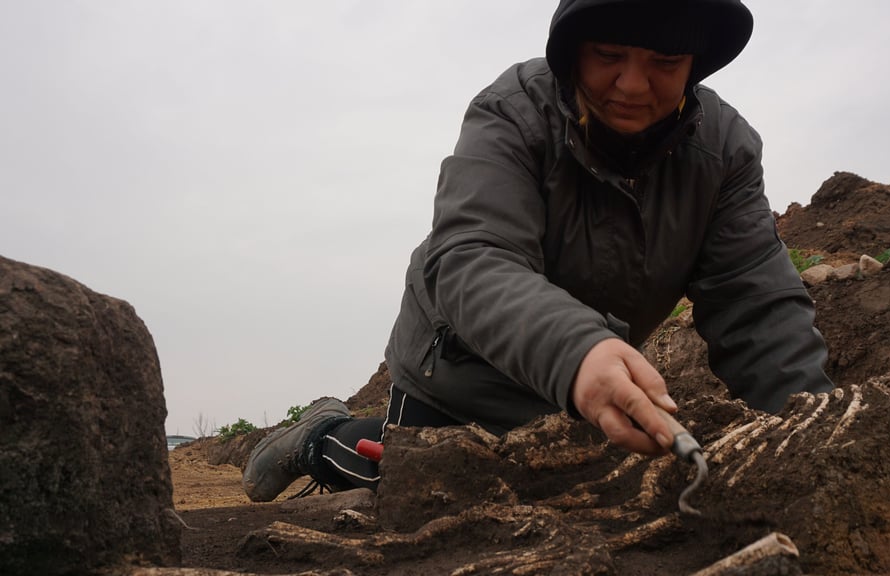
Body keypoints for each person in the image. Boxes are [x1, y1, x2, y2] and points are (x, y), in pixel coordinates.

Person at [243, 0, 834, 502]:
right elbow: (474, 255)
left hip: (584, 382)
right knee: (412, 489)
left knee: (562, 498)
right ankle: (321, 437)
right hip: (459, 366)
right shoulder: (511, 113)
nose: (632, 84)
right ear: (573, 50)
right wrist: (579, 353)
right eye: (608, 56)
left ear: (695, 65)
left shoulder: (725, 152)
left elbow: (755, 304)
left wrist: (819, 434)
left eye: (664, 62)